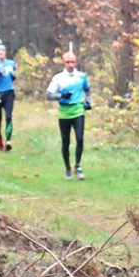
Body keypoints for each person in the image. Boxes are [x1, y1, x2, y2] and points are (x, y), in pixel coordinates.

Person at [46, 49, 92, 180]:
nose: (70, 65)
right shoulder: (58, 78)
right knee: (65, 142)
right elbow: (48, 95)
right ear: (63, 63)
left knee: (80, 138)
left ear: (76, 62)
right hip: (65, 112)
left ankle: (77, 166)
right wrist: (61, 95)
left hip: (78, 109)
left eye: (72, 62)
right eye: (68, 62)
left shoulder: (81, 76)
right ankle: (67, 168)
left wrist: (88, 101)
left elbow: (87, 90)